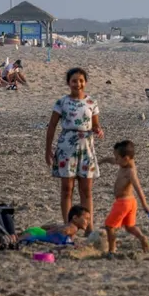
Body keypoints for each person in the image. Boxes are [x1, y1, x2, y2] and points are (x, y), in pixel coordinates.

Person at [46, 68, 102, 231]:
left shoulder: (91, 102)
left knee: (86, 190)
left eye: (81, 80)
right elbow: (52, 126)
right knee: (67, 188)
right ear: (68, 83)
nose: (78, 84)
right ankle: (67, 224)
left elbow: (95, 124)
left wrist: (98, 129)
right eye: (74, 81)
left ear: (85, 82)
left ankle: (89, 226)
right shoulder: (61, 102)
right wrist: (47, 149)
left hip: (86, 147)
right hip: (66, 147)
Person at [102, 140, 149, 254]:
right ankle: (142, 238)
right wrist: (102, 161)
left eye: (117, 158)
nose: (115, 160)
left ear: (126, 158)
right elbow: (112, 160)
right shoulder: (123, 163)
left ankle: (111, 250)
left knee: (109, 226)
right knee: (129, 226)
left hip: (123, 203)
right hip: (130, 202)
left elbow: (138, 188)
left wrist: (145, 204)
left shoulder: (130, 171)